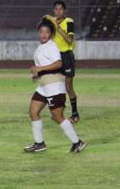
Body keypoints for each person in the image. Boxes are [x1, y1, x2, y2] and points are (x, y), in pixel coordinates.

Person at [24, 19, 86, 154]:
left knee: (57, 116)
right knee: (33, 112)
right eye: (41, 32)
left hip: (54, 85)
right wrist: (36, 74)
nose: (44, 34)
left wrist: (39, 69)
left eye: (47, 32)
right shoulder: (39, 48)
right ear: (38, 33)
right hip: (43, 86)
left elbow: (59, 64)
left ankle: (77, 142)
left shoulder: (51, 46)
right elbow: (42, 67)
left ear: (51, 34)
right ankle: (39, 144)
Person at [44, 0, 79, 122]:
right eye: (56, 9)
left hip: (67, 56)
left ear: (64, 11)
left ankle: (75, 114)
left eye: (61, 9)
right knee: (56, 87)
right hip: (56, 57)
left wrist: (58, 28)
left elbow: (69, 40)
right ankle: (58, 113)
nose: (58, 11)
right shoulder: (52, 22)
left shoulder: (69, 21)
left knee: (68, 87)